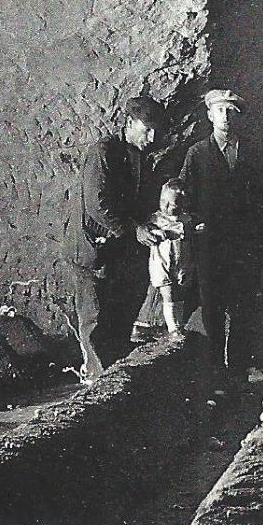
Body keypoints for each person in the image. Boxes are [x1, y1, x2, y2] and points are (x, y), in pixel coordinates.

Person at [73, 93, 170, 380]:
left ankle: (113, 384)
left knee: (118, 324)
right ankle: (97, 385)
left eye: (156, 131)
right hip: (92, 252)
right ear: (129, 123)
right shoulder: (104, 152)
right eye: (146, 128)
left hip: (116, 253)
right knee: (95, 323)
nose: (151, 137)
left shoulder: (139, 158)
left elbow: (138, 202)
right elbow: (98, 204)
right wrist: (135, 229)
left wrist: (154, 218)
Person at [177, 88, 261, 385]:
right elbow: (183, 195)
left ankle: (238, 371)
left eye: (230, 111)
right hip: (210, 244)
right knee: (212, 306)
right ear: (209, 115)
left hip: (243, 244)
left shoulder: (250, 150)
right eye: (220, 110)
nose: (225, 116)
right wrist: (195, 223)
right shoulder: (197, 153)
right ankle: (214, 370)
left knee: (243, 307)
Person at [144, 179, 204, 340]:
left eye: (173, 204)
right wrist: (156, 232)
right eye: (163, 201)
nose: (166, 206)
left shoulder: (186, 219)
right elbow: (148, 229)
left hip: (182, 262)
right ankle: (173, 328)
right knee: (168, 294)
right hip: (162, 263)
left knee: (179, 295)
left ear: (182, 204)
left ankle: (179, 325)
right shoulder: (156, 218)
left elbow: (193, 230)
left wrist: (197, 229)